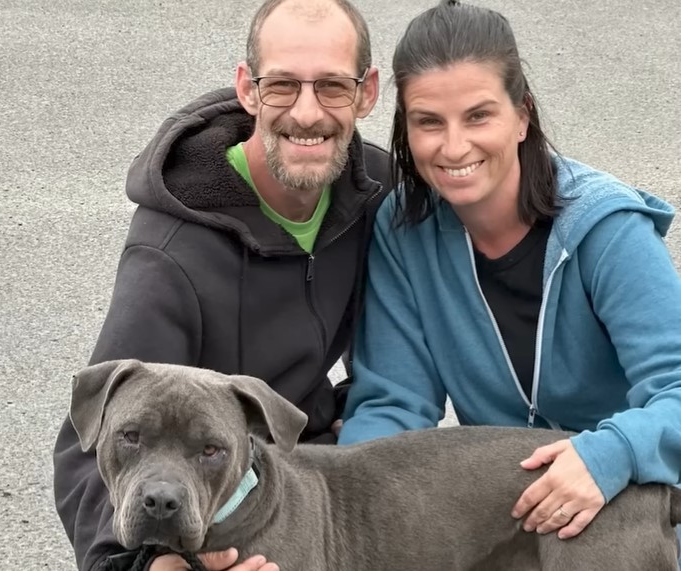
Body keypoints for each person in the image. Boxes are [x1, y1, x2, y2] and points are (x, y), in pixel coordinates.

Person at [338, 0, 681, 560]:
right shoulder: (404, 231)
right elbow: (394, 408)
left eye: (478, 116)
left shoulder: (606, 229)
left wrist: (609, 453)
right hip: (509, 524)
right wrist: (343, 509)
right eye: (428, 122)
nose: (453, 147)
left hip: (642, 519)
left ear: (522, 115)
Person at [53, 0, 387, 570]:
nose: (307, 113)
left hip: (314, 475)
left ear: (367, 92)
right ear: (248, 90)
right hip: (210, 506)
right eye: (282, 85)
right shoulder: (171, 257)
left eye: (332, 86)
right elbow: (87, 444)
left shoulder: (377, 193)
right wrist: (138, 566)